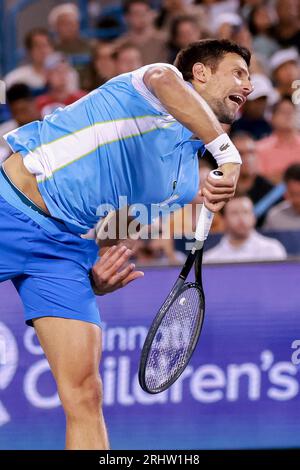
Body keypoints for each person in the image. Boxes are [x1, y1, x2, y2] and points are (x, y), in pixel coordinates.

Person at [0, 39, 252, 449]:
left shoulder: (185, 180)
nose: (249, 85)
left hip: (63, 252)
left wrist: (98, 270)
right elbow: (163, 79)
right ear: (201, 73)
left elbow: (112, 228)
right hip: (9, 206)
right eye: (238, 73)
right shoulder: (154, 84)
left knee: (85, 392)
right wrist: (227, 154)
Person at [204, 196, 287, 263]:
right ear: (224, 219)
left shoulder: (272, 250)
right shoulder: (210, 259)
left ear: (254, 217)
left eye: (246, 212)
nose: (241, 219)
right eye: (234, 213)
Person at [263, 163, 300, 230]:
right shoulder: (274, 217)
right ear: (286, 192)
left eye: (299, 194)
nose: (297, 200)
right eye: (293, 194)